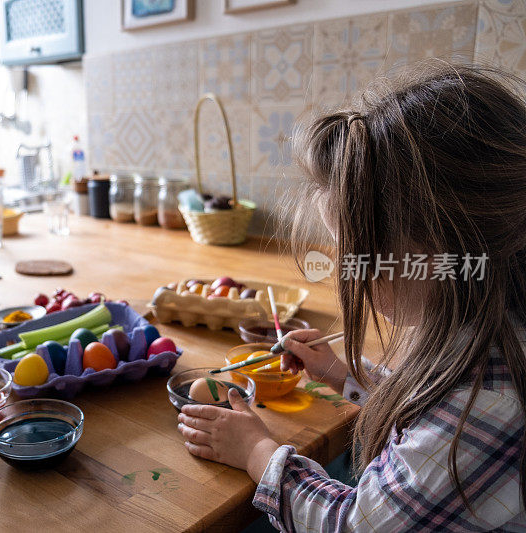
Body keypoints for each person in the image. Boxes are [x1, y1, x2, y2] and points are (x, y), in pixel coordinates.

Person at [177, 63, 526, 531]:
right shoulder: (480, 336)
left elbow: (353, 524)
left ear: (440, 249)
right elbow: (423, 417)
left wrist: (257, 452)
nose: (347, 270)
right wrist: (344, 375)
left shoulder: (486, 400)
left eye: (354, 251)